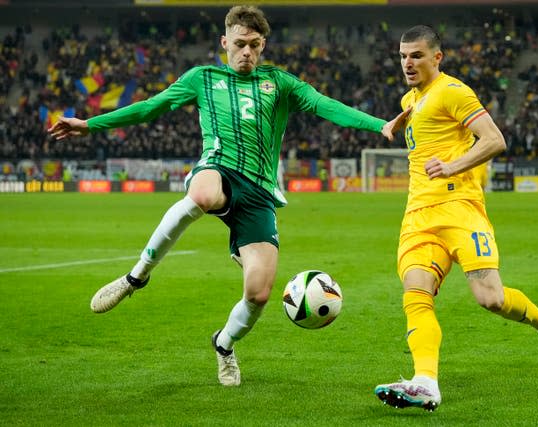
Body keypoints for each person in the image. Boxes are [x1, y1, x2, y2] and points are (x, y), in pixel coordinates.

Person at [48, 5, 407, 387]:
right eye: (239, 44)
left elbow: (324, 105)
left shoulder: (281, 83)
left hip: (259, 193)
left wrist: (379, 125)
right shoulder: (202, 78)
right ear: (225, 43)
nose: (246, 52)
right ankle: (136, 277)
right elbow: (150, 108)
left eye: (254, 45)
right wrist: (90, 123)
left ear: (263, 45)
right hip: (217, 169)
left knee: (260, 293)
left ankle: (223, 344)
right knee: (202, 194)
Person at [374, 25, 538, 412]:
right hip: (418, 216)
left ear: (437, 57)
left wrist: (452, 166)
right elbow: (420, 111)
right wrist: (397, 121)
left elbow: (494, 140)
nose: (408, 62)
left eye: (417, 55)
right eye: (403, 55)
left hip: (460, 209)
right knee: (416, 294)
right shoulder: (413, 96)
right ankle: (425, 382)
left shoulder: (454, 91)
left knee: (490, 298)